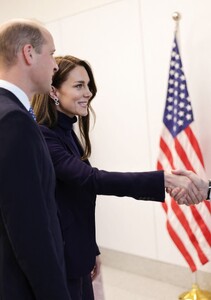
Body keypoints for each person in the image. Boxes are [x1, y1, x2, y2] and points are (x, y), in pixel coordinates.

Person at [31, 55, 205, 300]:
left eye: (88, 85)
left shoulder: (66, 131)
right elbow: (90, 179)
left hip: (78, 252)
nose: (88, 93)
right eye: (79, 85)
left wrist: (91, 249)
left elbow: (75, 200)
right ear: (53, 91)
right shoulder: (44, 136)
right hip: (62, 259)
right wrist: (163, 179)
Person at [0, 20, 71, 299]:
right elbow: (28, 227)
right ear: (29, 53)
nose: (55, 65)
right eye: (51, 54)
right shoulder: (13, 120)